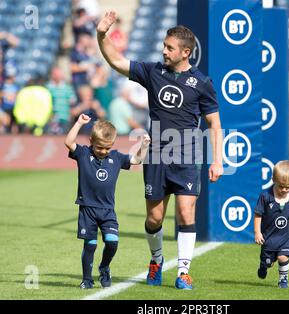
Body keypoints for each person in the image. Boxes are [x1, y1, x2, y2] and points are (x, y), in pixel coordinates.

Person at [97, 12, 223, 290]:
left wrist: (218, 160)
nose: (164, 51)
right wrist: (101, 35)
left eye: (169, 47)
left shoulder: (202, 83)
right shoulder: (153, 71)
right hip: (156, 157)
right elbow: (117, 61)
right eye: (164, 46)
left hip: (188, 156)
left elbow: (214, 123)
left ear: (185, 52)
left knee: (186, 214)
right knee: (154, 218)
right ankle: (156, 260)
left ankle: (184, 272)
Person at [64, 113, 150, 289]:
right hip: (87, 208)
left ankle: (104, 267)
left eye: (107, 148)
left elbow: (136, 159)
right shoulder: (83, 154)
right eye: (99, 148)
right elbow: (68, 142)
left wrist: (144, 146)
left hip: (108, 210)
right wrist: (79, 123)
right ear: (91, 142)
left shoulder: (116, 157)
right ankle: (87, 279)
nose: (103, 151)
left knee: (112, 242)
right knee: (91, 244)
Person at [254, 160, 289, 289]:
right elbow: (258, 214)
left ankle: (283, 280)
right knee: (269, 263)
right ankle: (264, 265)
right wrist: (257, 232)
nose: (284, 190)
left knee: (283, 257)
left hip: (286, 235)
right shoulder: (265, 196)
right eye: (281, 186)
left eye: (288, 187)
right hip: (269, 236)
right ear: (273, 179)